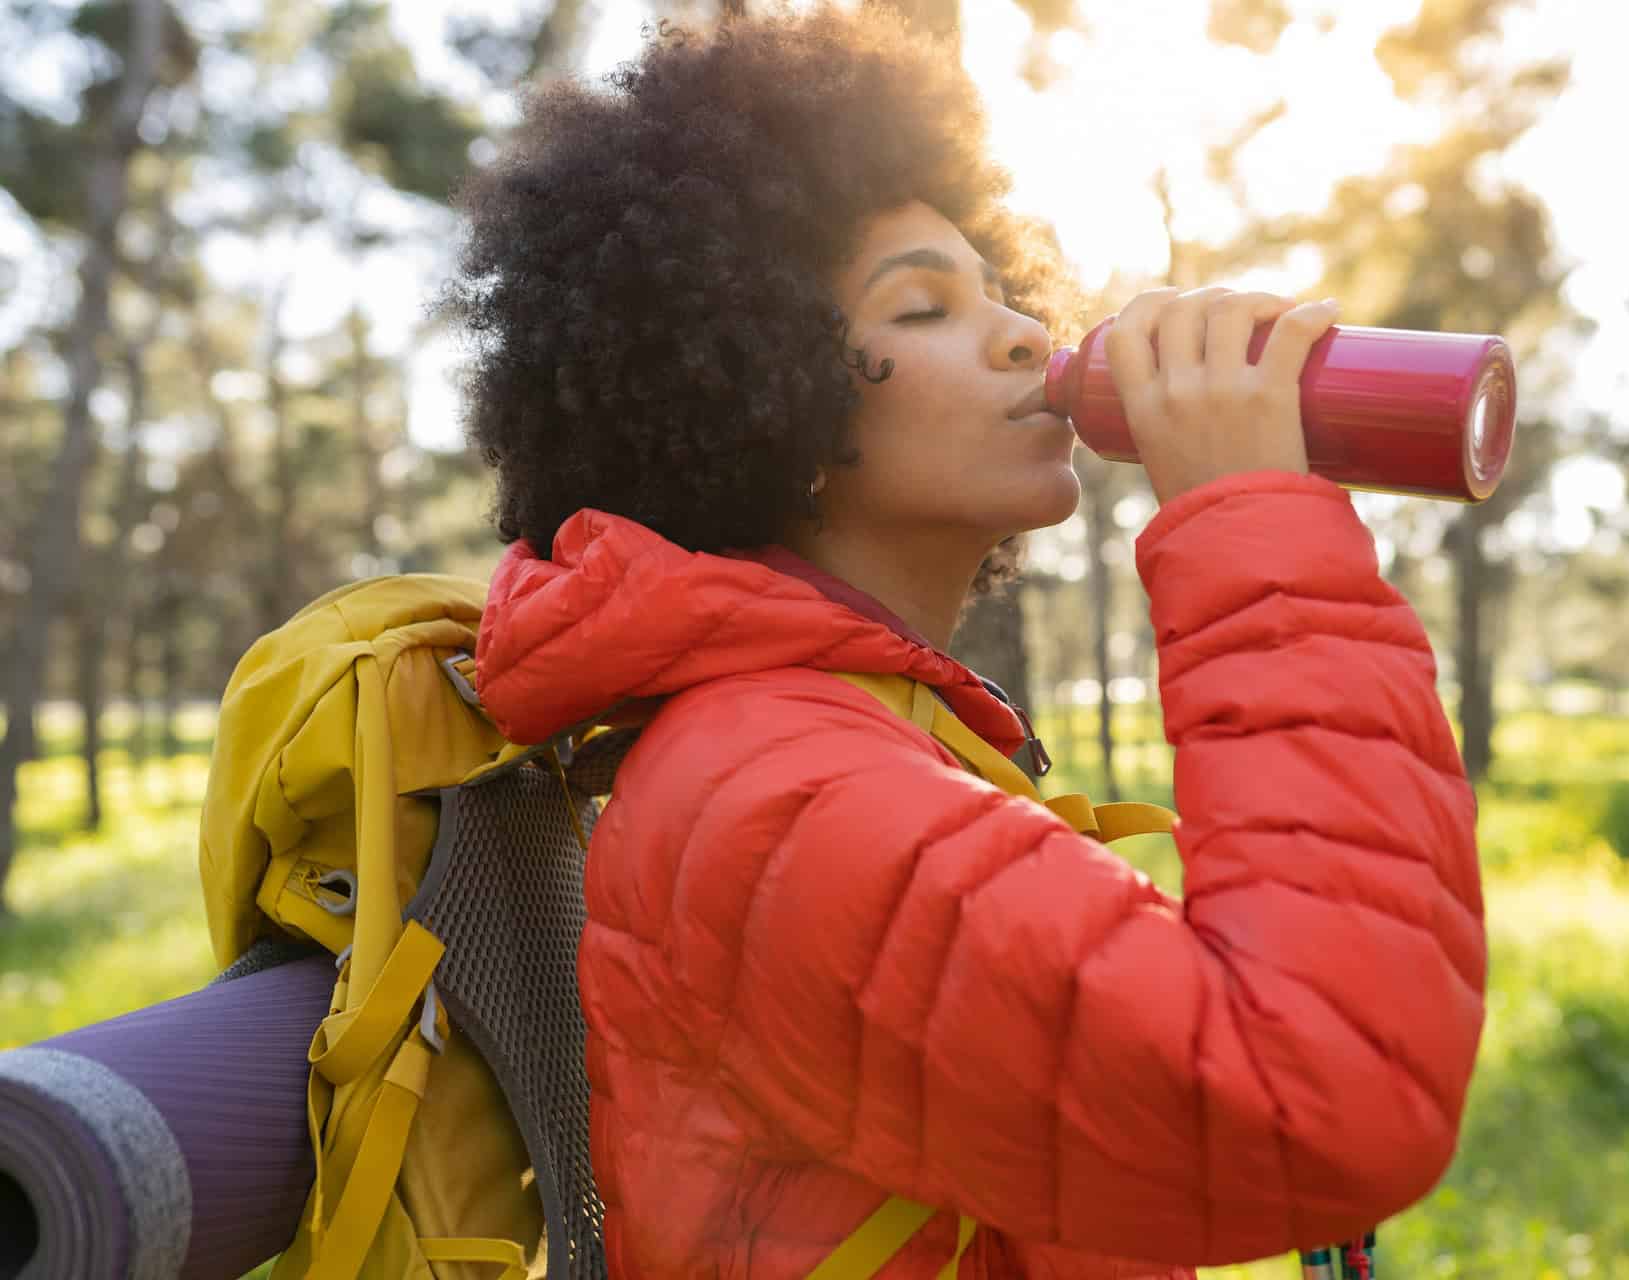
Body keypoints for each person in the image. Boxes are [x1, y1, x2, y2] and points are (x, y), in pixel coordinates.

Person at [444, 6, 1485, 1276]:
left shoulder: (841, 742)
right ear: (752, 386)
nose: (1025, 336)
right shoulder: (770, 793)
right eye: (924, 307)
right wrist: (1249, 534)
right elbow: (1319, 1099)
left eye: (998, 291)